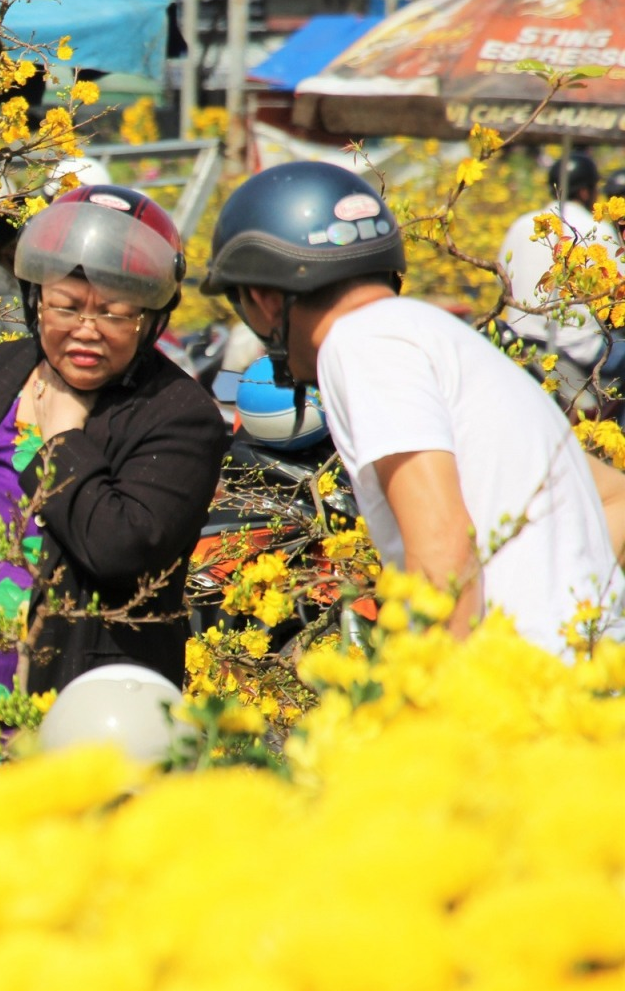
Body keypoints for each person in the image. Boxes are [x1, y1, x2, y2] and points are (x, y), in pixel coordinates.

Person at [0, 186, 229, 780]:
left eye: (114, 311)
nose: (87, 329)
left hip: (72, 720)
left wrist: (64, 443)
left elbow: (119, 552)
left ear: (150, 317)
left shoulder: (177, 415)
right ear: (37, 301)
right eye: (66, 305)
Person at [206, 160, 624, 654]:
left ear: (263, 298)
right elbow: (613, 496)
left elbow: (442, 555)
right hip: (585, 689)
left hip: (517, 699)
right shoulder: (435, 334)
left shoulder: (362, 343)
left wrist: (430, 705)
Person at [498, 153, 624, 396]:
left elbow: (502, 278)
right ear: (586, 192)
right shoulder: (595, 230)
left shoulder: (522, 224)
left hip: (522, 342)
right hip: (578, 349)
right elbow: (620, 292)